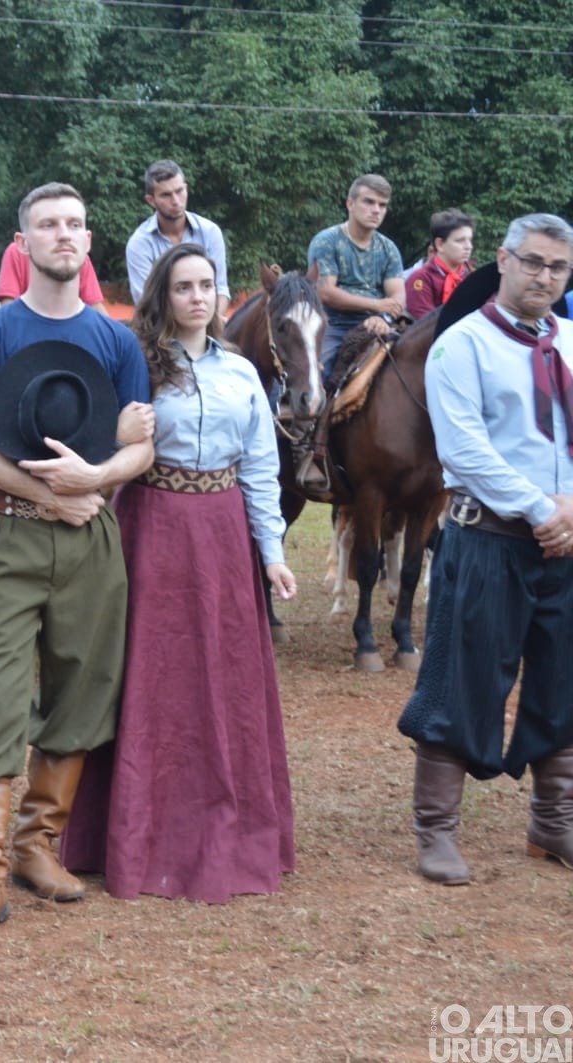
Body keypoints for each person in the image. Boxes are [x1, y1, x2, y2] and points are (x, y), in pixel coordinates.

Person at [0, 183, 155, 943]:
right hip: (9, 532)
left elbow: (141, 442)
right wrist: (47, 493)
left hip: (91, 537)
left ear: (88, 240)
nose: (63, 235)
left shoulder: (116, 340)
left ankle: (36, 844)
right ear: (22, 242)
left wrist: (95, 480)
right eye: (48, 225)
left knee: (83, 690)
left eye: (74, 224)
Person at [58, 244, 299, 903]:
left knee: (225, 680)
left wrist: (271, 551)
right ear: (163, 295)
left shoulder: (244, 373)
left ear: (220, 295)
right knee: (143, 674)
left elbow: (259, 467)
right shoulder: (134, 364)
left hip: (222, 535)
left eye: (206, 285)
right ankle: (121, 835)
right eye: (184, 286)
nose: (197, 296)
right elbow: (96, 446)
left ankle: (229, 827)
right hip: (150, 526)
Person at [398, 212, 573, 887]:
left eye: (557, 267)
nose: (544, 277)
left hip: (564, 546)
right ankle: (435, 829)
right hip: (488, 540)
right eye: (532, 262)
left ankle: (553, 821)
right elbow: (464, 447)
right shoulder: (461, 344)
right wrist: (538, 509)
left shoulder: (572, 341)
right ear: (502, 259)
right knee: (460, 679)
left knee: (563, 679)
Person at [307, 174, 405, 381]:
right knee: (317, 375)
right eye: (369, 202)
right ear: (350, 204)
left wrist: (383, 317)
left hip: (379, 324)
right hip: (332, 325)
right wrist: (377, 305)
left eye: (382, 205)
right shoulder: (327, 241)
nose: (376, 210)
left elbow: (398, 296)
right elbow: (326, 292)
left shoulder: (388, 248)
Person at [124, 160, 231, 317]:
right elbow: (147, 304)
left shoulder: (210, 232)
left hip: (208, 326)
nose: (176, 201)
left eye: (179, 191)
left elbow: (221, 289)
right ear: (151, 200)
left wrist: (209, 330)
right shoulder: (139, 244)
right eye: (166, 195)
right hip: (161, 333)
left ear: (186, 189)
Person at [0, 237, 106, 311]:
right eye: (49, 224)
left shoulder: (78, 256)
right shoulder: (17, 251)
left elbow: (94, 304)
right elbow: (7, 304)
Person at [404, 209, 475, 320]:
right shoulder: (421, 278)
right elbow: (426, 323)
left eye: (470, 240)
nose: (468, 246)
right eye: (460, 240)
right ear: (440, 244)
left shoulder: (472, 277)